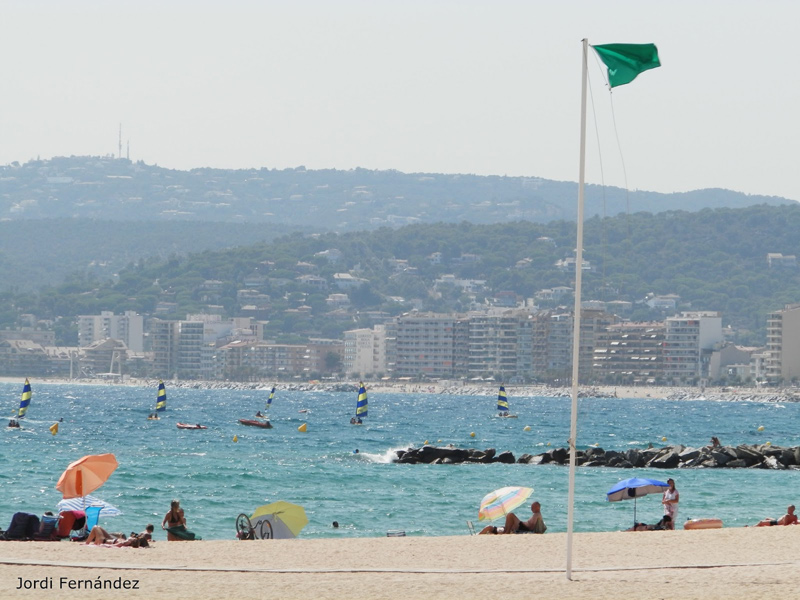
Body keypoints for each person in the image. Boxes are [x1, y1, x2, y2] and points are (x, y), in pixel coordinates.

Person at [479, 501, 546, 535]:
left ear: (537, 507)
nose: (531, 508)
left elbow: (531, 527)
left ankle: (507, 532)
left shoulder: (537, 514)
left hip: (523, 527)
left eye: (533, 507)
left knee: (510, 515)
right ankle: (507, 531)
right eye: (531, 507)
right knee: (509, 516)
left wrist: (524, 524)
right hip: (523, 526)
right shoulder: (537, 515)